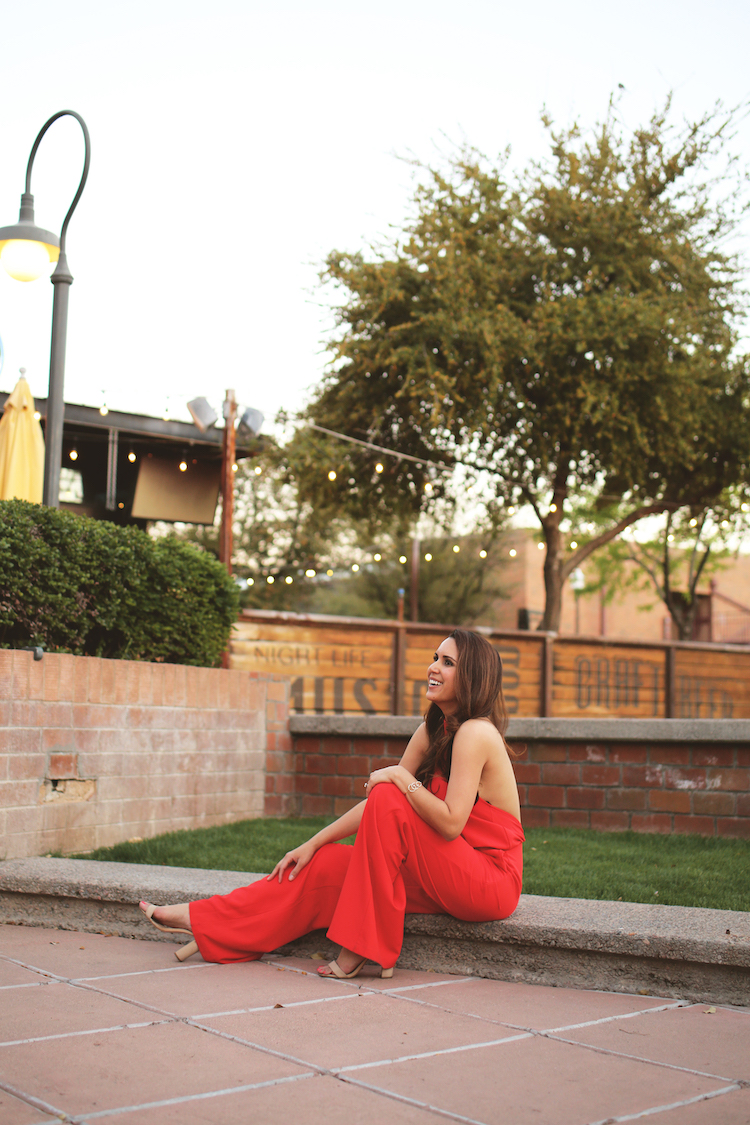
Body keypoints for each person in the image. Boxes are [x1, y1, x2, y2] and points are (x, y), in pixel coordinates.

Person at [139, 628, 524, 979]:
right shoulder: (431, 731)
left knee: (390, 794)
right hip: (443, 870)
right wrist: (313, 842)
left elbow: (452, 822)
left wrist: (401, 778)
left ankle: (363, 946)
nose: (433, 668)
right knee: (322, 865)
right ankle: (205, 920)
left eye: (448, 662)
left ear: (472, 676)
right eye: (435, 658)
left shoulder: (476, 733)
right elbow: (380, 805)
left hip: (488, 883)